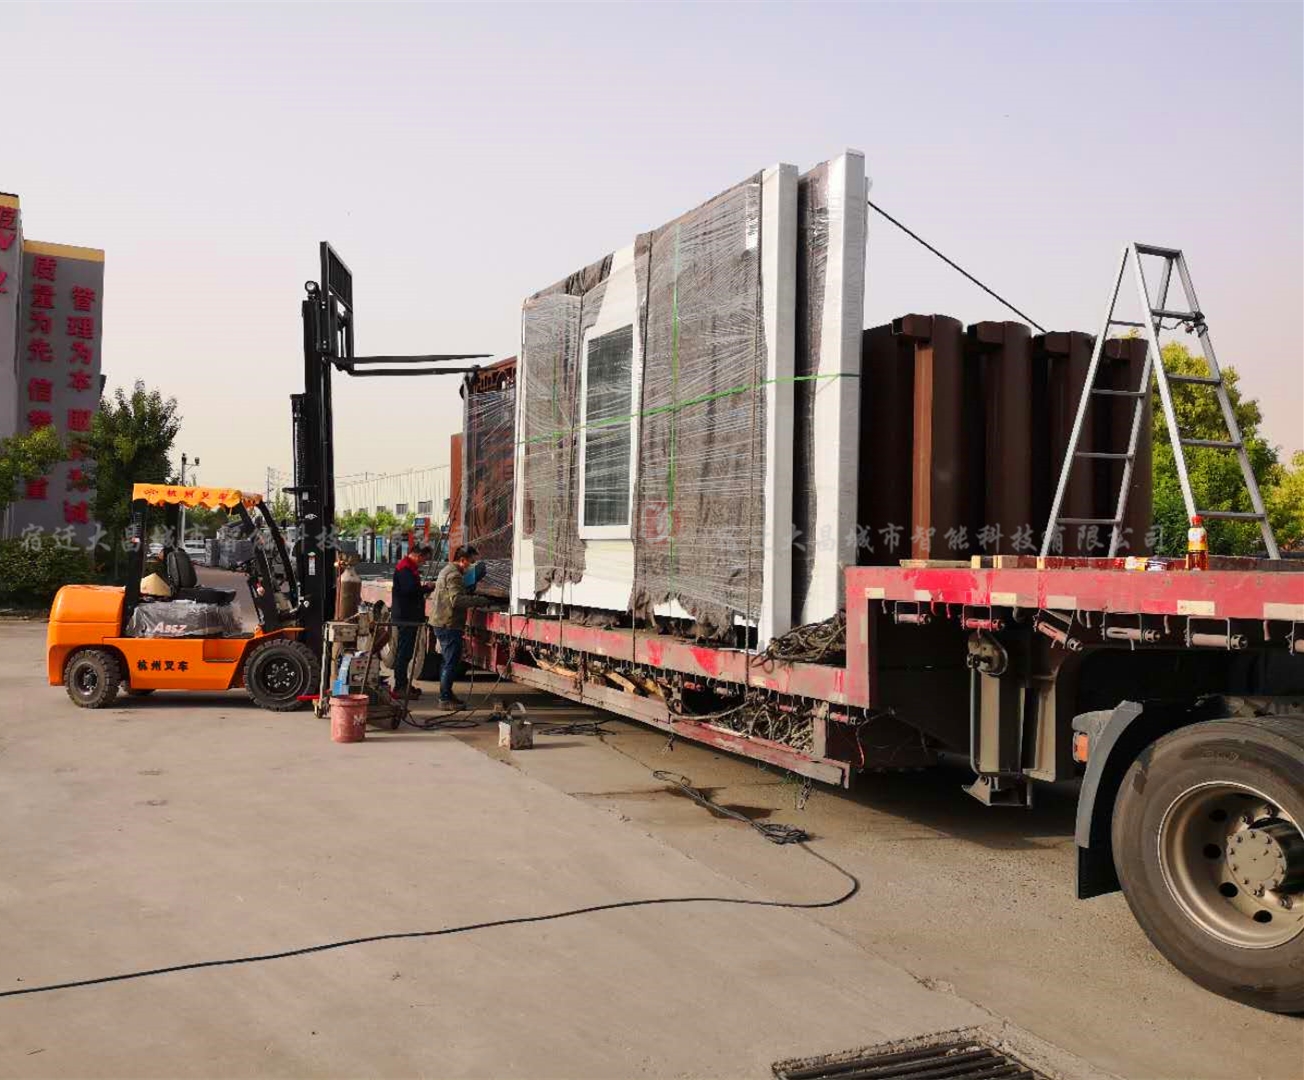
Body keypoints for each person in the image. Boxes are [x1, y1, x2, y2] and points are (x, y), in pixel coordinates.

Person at [429, 544, 494, 708]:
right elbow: (457, 600)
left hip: (443, 622)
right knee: (451, 662)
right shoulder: (454, 575)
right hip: (448, 623)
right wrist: (479, 601)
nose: (472, 566)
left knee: (448, 661)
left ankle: (447, 694)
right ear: (463, 560)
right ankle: (445, 698)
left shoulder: (448, 570)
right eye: (471, 562)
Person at [390, 544, 435, 700]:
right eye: (424, 559)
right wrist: (427, 588)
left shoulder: (409, 568)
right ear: (417, 555)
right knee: (404, 653)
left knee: (406, 652)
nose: (424, 562)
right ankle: (399, 686)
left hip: (408, 616)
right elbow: (409, 591)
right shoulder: (405, 568)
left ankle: (403, 684)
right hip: (406, 617)